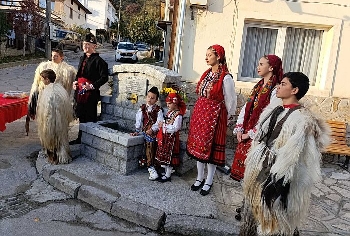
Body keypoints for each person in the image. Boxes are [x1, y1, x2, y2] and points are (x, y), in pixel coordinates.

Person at [239, 72, 330, 236]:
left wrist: (278, 180)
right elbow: (261, 135)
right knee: (254, 215)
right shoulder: (274, 109)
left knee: (276, 223)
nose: (278, 87)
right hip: (260, 171)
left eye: (283, 84)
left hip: (279, 179)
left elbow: (299, 159)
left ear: (294, 90)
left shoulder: (302, 121)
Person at [187, 44, 237, 196]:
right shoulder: (207, 74)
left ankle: (209, 180)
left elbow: (231, 101)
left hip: (215, 117)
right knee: (199, 147)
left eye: (210, 55)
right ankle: (199, 177)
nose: (206, 57)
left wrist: (226, 118)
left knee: (211, 151)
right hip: (201, 115)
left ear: (219, 56)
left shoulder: (226, 78)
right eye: (206, 54)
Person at [230, 55, 283, 182]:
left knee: (253, 172)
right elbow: (246, 107)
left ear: (271, 67)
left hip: (259, 134)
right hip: (247, 130)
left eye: (261, 64)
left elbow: (270, 116)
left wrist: (249, 134)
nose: (257, 67)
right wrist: (239, 128)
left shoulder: (276, 90)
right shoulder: (259, 86)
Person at [71, 33, 108, 144]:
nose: (85, 46)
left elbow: (104, 78)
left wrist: (91, 86)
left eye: (88, 44)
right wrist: (75, 82)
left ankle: (89, 141)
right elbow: (79, 74)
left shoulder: (99, 61)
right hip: (80, 92)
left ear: (94, 46)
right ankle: (80, 138)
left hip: (91, 94)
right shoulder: (82, 58)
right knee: (81, 116)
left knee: (90, 117)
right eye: (84, 44)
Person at [36, 69, 74, 164]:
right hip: (61, 119)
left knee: (52, 137)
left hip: (50, 119)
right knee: (61, 136)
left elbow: (46, 110)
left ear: (47, 79)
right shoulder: (60, 90)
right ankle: (63, 155)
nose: (42, 81)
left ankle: (54, 157)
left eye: (42, 79)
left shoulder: (48, 92)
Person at [28, 48, 76, 119]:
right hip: (45, 97)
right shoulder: (43, 66)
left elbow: (74, 83)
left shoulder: (69, 70)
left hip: (60, 98)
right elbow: (36, 83)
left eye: (56, 56)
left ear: (61, 57)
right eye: (52, 55)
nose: (53, 57)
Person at [130, 87, 163, 180]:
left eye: (152, 98)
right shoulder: (142, 109)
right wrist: (137, 131)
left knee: (153, 140)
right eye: (148, 97)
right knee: (149, 141)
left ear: (156, 100)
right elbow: (139, 120)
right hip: (145, 131)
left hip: (154, 132)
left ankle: (154, 165)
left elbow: (159, 122)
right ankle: (150, 166)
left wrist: (152, 129)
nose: (150, 99)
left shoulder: (158, 110)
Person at [155, 92, 186, 182]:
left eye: (169, 103)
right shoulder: (170, 113)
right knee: (165, 156)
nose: (167, 105)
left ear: (175, 103)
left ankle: (168, 175)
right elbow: (167, 122)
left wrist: (164, 126)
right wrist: (163, 124)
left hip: (171, 139)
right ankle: (166, 172)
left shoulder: (178, 115)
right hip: (166, 138)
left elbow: (176, 127)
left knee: (169, 157)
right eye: (167, 103)